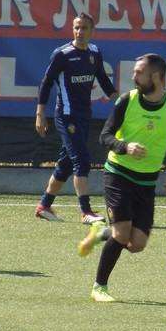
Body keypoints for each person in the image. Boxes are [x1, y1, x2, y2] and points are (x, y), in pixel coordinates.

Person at [80, 53, 166, 302]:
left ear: (156, 76)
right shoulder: (126, 100)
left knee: (137, 244)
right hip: (118, 174)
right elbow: (105, 136)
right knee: (122, 234)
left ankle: (102, 233)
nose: (133, 76)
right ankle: (99, 287)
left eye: (139, 72)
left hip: (147, 182)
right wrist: (125, 146)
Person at [34, 13, 118, 224]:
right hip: (66, 116)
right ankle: (86, 212)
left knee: (65, 164)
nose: (80, 32)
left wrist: (122, 103)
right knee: (81, 160)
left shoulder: (94, 52)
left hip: (83, 116)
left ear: (92, 31)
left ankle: (44, 205)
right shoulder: (62, 54)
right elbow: (46, 83)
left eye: (84, 28)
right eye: (77, 28)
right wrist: (40, 114)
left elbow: (104, 81)